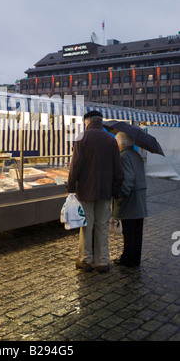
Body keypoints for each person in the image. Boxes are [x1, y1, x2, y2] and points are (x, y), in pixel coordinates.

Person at [67, 111, 123, 273]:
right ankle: (103, 261)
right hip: (105, 192)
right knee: (102, 226)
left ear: (88, 121)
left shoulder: (82, 138)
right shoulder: (111, 140)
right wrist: (115, 190)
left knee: (86, 225)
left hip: (85, 191)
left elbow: (75, 166)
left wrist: (70, 188)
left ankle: (85, 260)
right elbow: (118, 171)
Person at [113, 132, 147, 267]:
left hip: (130, 199)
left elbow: (129, 178)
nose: (117, 145)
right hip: (139, 198)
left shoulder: (124, 156)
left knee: (129, 232)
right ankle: (135, 259)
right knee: (137, 231)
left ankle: (127, 260)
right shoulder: (136, 155)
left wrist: (121, 194)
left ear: (122, 144)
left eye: (117, 142)